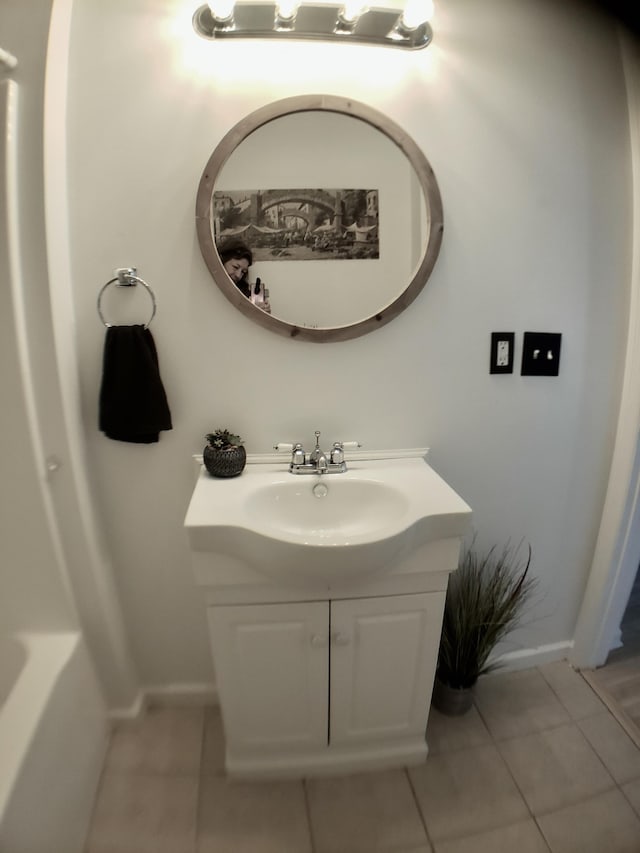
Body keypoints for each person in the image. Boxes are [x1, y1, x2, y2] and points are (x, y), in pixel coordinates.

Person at [217, 237, 271, 314]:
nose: (238, 275)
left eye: (243, 271)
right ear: (222, 260)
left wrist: (263, 313)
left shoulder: (244, 294)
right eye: (235, 267)